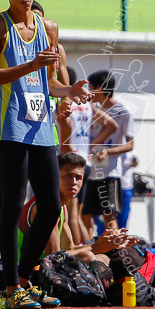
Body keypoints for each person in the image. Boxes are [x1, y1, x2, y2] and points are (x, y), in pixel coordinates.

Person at [0, 0, 89, 309]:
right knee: (11, 208)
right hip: (10, 127)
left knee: (52, 206)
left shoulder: (49, 28)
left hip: (43, 127)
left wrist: (69, 91)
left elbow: (50, 82)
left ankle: (25, 278)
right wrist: (29, 65)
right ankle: (11, 289)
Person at [18, 152, 134, 266]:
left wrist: (109, 244)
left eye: (78, 177)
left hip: (44, 268)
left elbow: (70, 249)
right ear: (54, 177)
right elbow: (53, 258)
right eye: (68, 176)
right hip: (26, 272)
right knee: (88, 257)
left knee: (103, 258)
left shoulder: (62, 208)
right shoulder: (47, 207)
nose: (73, 182)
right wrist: (96, 247)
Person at [59, 65, 118, 243]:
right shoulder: (86, 103)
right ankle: (88, 252)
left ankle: (79, 258)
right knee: (79, 217)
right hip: (85, 162)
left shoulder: (64, 102)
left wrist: (68, 146)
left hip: (68, 160)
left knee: (70, 217)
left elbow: (65, 126)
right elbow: (111, 125)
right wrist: (92, 144)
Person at [81, 70, 134, 236]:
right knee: (85, 215)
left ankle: (113, 255)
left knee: (109, 215)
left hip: (110, 172)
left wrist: (108, 151)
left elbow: (130, 144)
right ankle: (88, 252)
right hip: (89, 170)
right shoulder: (91, 110)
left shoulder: (123, 112)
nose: (89, 92)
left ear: (100, 88)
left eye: (91, 88)